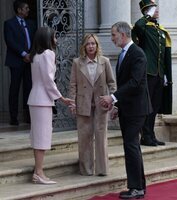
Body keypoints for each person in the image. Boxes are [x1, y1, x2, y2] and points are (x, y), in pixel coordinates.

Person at [100, 21, 152, 199]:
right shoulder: (125, 53)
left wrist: (112, 97)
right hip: (128, 108)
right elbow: (125, 83)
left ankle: (136, 188)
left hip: (137, 109)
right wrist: (118, 106)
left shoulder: (137, 53)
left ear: (123, 34)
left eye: (113, 34)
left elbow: (135, 83)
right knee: (132, 147)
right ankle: (139, 186)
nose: (112, 38)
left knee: (131, 146)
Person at [28, 27, 73, 184]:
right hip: (42, 100)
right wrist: (61, 98)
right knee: (42, 137)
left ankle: (37, 171)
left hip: (35, 99)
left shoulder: (35, 56)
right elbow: (48, 81)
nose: (57, 40)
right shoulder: (48, 54)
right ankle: (39, 172)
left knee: (38, 136)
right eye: (54, 37)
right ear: (48, 38)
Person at [69, 33, 116, 176]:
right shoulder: (77, 62)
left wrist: (112, 100)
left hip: (101, 104)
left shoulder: (105, 61)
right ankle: (86, 169)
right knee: (84, 137)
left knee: (101, 137)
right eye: (88, 44)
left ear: (97, 45)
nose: (91, 46)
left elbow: (112, 83)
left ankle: (102, 169)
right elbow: (72, 85)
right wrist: (72, 103)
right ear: (84, 46)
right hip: (83, 104)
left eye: (93, 43)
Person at [132, 0, 173, 146]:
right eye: (153, 8)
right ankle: (145, 135)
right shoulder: (144, 27)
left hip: (159, 73)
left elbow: (163, 54)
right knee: (147, 105)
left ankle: (151, 134)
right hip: (148, 72)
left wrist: (166, 73)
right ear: (146, 10)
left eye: (155, 8)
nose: (157, 11)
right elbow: (137, 26)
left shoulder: (159, 29)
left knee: (155, 106)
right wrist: (147, 16)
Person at [4, 0, 36, 125]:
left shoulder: (31, 23)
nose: (28, 10)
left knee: (29, 88)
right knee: (15, 89)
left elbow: (35, 40)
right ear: (19, 10)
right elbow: (10, 41)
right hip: (16, 61)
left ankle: (29, 116)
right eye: (26, 8)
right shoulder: (9, 24)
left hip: (30, 61)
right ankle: (13, 117)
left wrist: (31, 55)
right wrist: (23, 54)